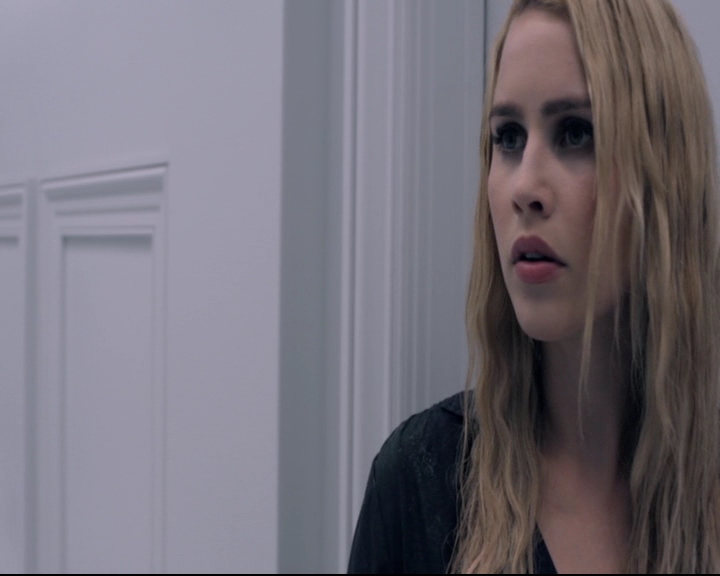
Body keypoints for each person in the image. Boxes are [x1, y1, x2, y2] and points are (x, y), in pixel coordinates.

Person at [347, 0, 720, 573]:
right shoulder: (421, 482)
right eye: (508, 137)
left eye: (575, 132)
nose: (524, 187)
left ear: (665, 174)